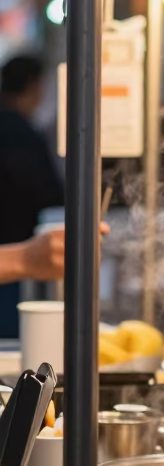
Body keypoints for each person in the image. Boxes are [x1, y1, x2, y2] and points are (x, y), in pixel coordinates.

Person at [0, 54, 64, 337]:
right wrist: (27, 258)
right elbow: (48, 192)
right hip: (14, 254)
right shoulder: (22, 134)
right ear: (34, 85)